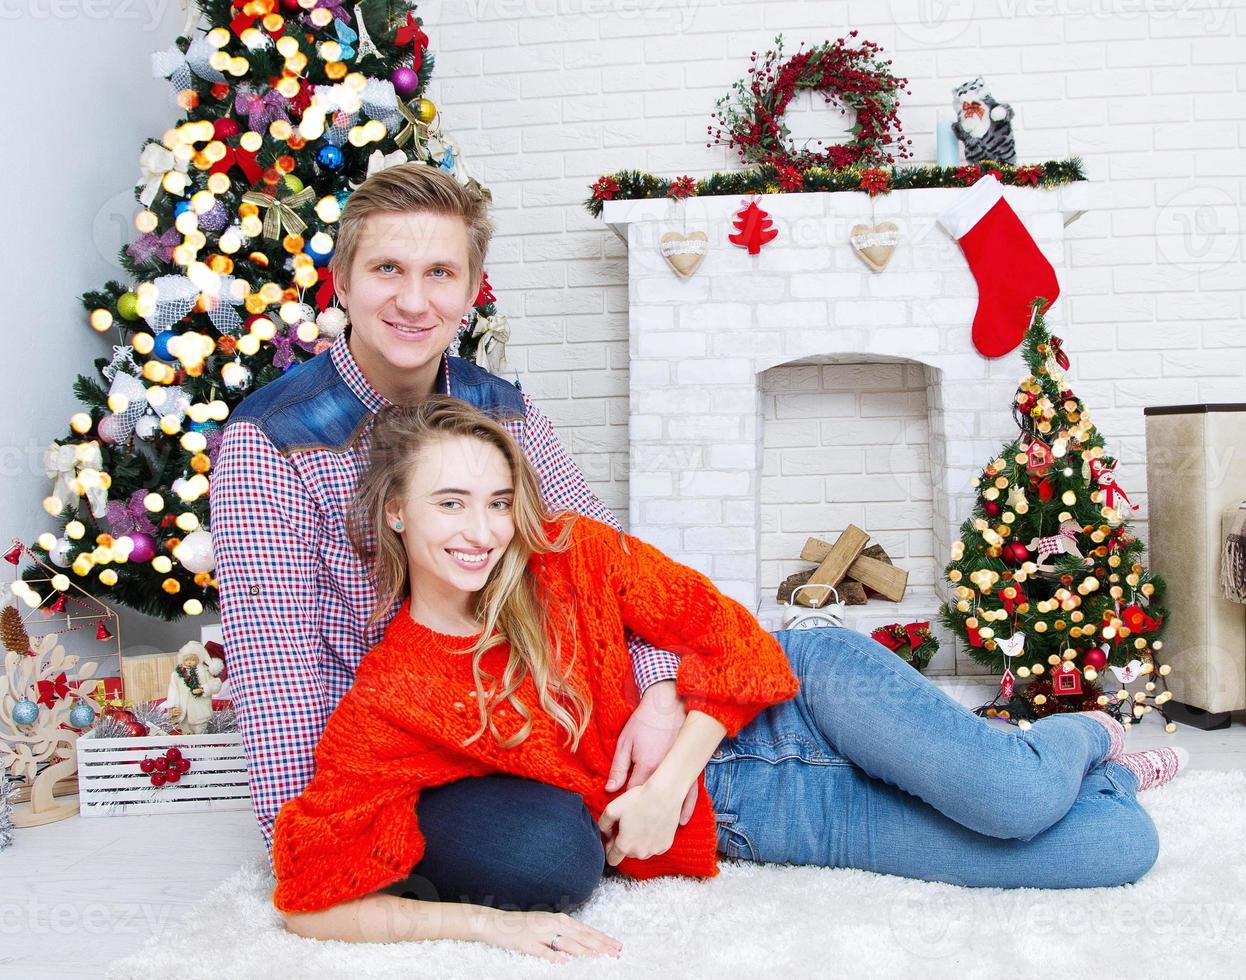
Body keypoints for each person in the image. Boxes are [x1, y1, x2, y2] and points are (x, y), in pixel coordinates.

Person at [270, 397, 1185, 962]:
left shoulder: (570, 555)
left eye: (499, 501)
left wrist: (666, 783)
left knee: (1013, 800)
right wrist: (490, 928)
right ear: (394, 512)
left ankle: (1077, 735)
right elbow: (309, 894)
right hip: (761, 819)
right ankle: (1094, 781)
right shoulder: (389, 698)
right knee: (1117, 851)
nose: (483, 530)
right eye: (450, 503)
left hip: (808, 697)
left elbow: (740, 639)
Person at [210, 162, 696, 911]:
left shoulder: (501, 411)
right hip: (407, 759)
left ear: (470, 295)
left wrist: (661, 693)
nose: (412, 300)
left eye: (440, 273)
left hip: (526, 715)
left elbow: (609, 563)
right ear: (341, 282)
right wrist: (313, 843)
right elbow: (278, 673)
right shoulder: (272, 441)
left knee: (784, 681)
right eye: (386, 269)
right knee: (549, 855)